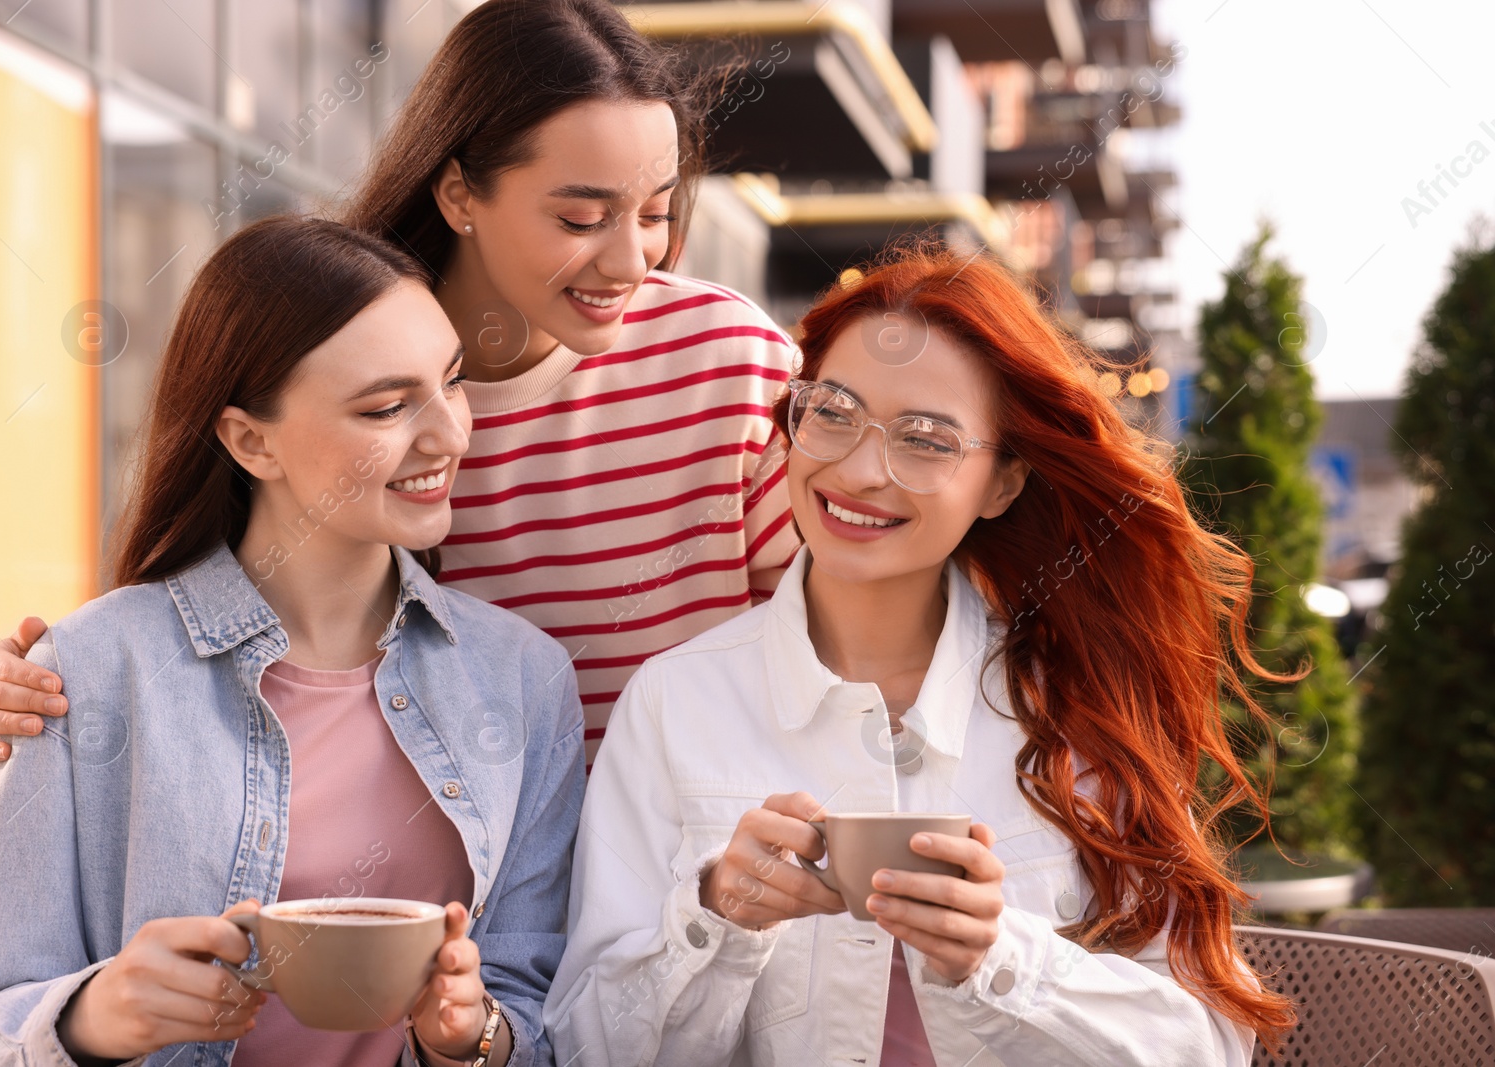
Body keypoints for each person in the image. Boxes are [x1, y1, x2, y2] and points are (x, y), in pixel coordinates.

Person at [0, 0, 798, 770]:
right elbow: (217, 601)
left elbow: (842, 648)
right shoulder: (332, 365)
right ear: (460, 191)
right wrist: (52, 686)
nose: (631, 262)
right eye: (579, 219)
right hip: (439, 897)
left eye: (655, 213)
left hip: (689, 900)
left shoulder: (730, 365)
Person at [544, 247, 1296, 1066]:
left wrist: (1001, 959)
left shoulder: (1076, 705)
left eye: (927, 439)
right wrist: (715, 914)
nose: (861, 472)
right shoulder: (676, 701)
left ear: (1003, 483)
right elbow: (584, 1047)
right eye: (832, 412)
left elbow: (1210, 1044)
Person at [0, 216, 583, 1067]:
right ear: (249, 440)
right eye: (386, 406)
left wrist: (470, 1035)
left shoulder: (522, 678)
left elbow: (540, 1013)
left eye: (451, 382)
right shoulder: (84, 675)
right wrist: (91, 1018)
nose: (449, 434)